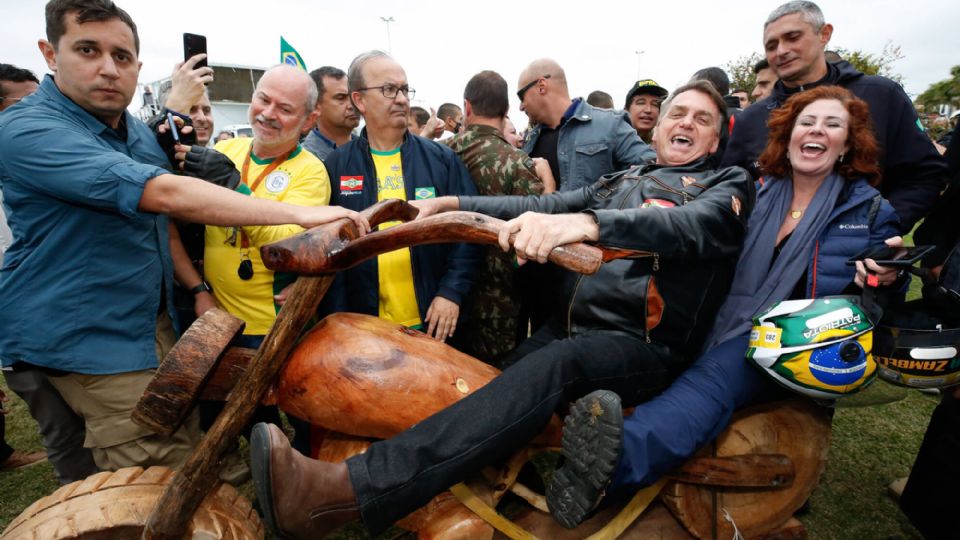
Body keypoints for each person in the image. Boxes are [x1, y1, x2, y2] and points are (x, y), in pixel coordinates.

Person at [249, 81, 755, 539]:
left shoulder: (725, 184)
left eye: (701, 119)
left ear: (714, 140)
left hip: (643, 348)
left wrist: (590, 224)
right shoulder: (623, 179)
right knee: (492, 387)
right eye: (677, 113)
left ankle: (342, 493)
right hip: (571, 332)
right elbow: (541, 207)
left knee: (554, 368)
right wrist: (450, 203)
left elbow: (691, 227)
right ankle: (462, 505)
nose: (685, 122)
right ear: (659, 126)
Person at [0, 0, 367, 473]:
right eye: (87, 50)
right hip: (84, 338)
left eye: (123, 57)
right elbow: (164, 194)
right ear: (50, 54)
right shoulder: (26, 127)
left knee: (113, 473)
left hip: (166, 325)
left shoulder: (128, 130)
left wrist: (195, 287)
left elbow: (166, 219)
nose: (108, 70)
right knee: (144, 476)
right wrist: (296, 213)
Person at [547, 85, 903, 528]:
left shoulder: (868, 210)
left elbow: (883, 297)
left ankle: (615, 461)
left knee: (715, 379)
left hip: (800, 343)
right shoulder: (754, 192)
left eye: (833, 125)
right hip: (726, 319)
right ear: (789, 136)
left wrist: (888, 276)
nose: (817, 132)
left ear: (848, 144)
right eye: (806, 123)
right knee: (684, 358)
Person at [723, 0, 946, 232]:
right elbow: (733, 188)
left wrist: (884, 226)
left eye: (793, 37)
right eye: (771, 45)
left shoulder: (880, 95)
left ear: (824, 34)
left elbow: (924, 174)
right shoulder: (751, 119)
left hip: (859, 259)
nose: (781, 50)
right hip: (773, 257)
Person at [320, 51, 479, 342]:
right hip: (365, 329)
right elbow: (330, 250)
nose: (403, 99)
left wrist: (451, 293)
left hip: (433, 323)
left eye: (405, 89)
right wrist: (338, 319)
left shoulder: (441, 159)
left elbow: (468, 232)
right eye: (389, 90)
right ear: (359, 100)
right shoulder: (336, 166)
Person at [441, 70, 551, 364]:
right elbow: (538, 225)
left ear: (467, 107)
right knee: (494, 379)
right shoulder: (519, 164)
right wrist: (549, 183)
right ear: (506, 112)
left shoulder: (439, 154)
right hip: (500, 301)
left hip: (444, 293)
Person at [0, 63, 56, 476]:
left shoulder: (44, 162)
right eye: (28, 102)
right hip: (20, 332)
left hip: (54, 324)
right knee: (62, 434)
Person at [519, 58, 654, 192]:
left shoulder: (610, 124)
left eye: (521, 96)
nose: (521, 106)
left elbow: (654, 171)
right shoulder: (529, 141)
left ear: (541, 87)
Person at [303, 66, 359, 162]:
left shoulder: (370, 149)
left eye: (352, 96)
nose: (352, 105)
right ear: (315, 106)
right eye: (341, 98)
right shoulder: (303, 160)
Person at [624, 78, 669, 144]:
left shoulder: (666, 146)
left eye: (655, 104)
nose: (648, 110)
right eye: (641, 103)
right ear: (626, 110)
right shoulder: (610, 142)